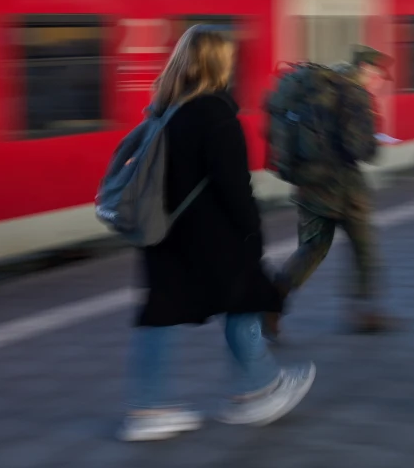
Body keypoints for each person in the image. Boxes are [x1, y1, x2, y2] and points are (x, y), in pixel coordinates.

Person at [121, 26, 315, 442]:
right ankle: (258, 390)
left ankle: (149, 407)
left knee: (162, 314)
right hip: (211, 236)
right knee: (244, 298)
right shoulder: (215, 113)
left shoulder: (166, 108)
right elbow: (233, 184)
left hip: (165, 233)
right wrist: (252, 231)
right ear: (219, 63)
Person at [267, 46, 397, 339]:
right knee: (364, 249)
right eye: (377, 74)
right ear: (365, 67)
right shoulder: (356, 96)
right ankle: (366, 312)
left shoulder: (319, 86)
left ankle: (271, 305)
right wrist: (373, 141)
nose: (378, 81)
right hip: (345, 190)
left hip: (310, 184)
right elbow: (359, 149)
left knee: (311, 249)